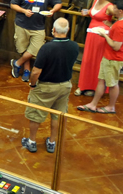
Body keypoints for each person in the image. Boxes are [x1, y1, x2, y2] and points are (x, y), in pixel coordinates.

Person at [22, 18, 79, 153]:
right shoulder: (74, 46)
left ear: (53, 30)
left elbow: (36, 71)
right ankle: (52, 142)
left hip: (46, 86)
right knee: (57, 115)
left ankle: (32, 141)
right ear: (68, 31)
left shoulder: (47, 47)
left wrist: (33, 84)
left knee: (36, 114)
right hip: (65, 86)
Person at [77, 0, 123, 114]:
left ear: (121, 11)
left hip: (114, 58)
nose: (112, 10)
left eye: (114, 8)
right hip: (111, 56)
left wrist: (104, 35)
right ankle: (93, 104)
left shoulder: (120, 26)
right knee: (101, 80)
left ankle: (111, 107)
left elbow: (116, 46)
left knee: (113, 84)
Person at [10, 0, 62, 82]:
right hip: (22, 24)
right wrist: (24, 11)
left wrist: (52, 11)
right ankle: (27, 71)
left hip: (38, 27)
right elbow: (13, 4)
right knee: (23, 49)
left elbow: (58, 3)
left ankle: (17, 63)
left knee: (35, 49)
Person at [74, 0, 113, 97]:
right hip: (91, 35)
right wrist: (87, 12)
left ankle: (94, 88)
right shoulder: (95, 2)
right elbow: (93, 13)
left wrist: (112, 25)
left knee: (97, 61)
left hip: (101, 37)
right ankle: (83, 86)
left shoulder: (109, 7)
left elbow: (121, 16)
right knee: (87, 60)